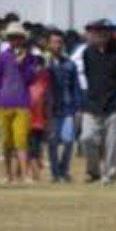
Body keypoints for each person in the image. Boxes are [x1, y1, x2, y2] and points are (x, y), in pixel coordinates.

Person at [81, 18, 116, 184]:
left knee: (113, 143)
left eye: (103, 31)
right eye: (95, 31)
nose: (99, 35)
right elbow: (88, 75)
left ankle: (111, 174)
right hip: (92, 102)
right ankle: (93, 171)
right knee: (87, 138)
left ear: (110, 33)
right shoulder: (87, 53)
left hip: (114, 102)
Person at [0, 21, 40, 183]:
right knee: (6, 142)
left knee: (21, 140)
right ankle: (9, 175)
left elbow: (31, 80)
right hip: (3, 104)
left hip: (22, 105)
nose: (15, 41)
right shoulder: (3, 56)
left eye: (18, 38)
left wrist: (22, 65)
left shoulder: (31, 58)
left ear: (22, 39)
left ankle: (24, 175)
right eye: (12, 38)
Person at [44, 29, 80, 183]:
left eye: (59, 42)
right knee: (52, 141)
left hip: (67, 107)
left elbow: (75, 87)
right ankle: (55, 173)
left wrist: (77, 107)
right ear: (48, 44)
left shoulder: (70, 64)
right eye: (54, 42)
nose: (57, 45)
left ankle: (63, 169)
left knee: (68, 141)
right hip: (50, 108)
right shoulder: (45, 64)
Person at [25, 56, 51, 182]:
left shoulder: (45, 80)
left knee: (37, 147)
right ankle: (34, 175)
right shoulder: (27, 81)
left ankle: (33, 173)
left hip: (40, 120)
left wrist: (47, 119)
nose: (37, 68)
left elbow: (46, 101)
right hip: (29, 119)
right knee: (32, 148)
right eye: (35, 65)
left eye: (40, 65)